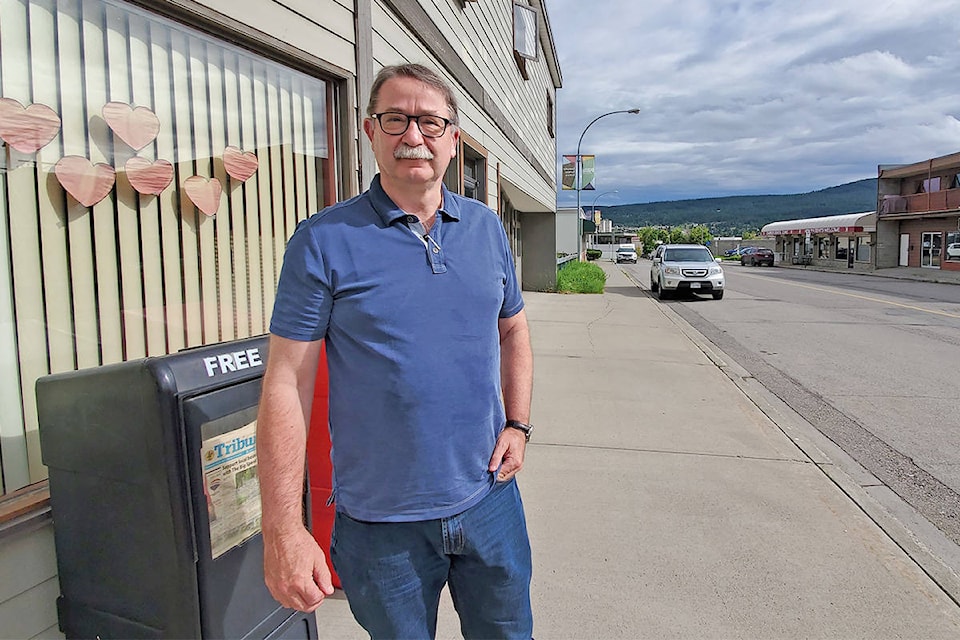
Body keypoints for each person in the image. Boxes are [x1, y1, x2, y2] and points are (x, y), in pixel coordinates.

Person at [256, 62, 535, 639]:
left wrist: (518, 424)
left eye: (431, 123)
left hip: (489, 502)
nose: (414, 137)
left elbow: (512, 330)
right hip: (382, 525)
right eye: (396, 120)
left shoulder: (486, 229)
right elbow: (286, 382)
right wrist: (284, 528)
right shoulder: (323, 241)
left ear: (454, 140)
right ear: (369, 130)